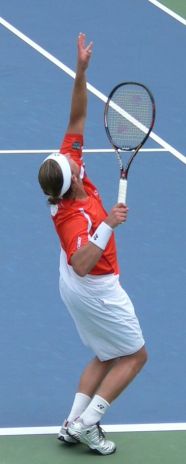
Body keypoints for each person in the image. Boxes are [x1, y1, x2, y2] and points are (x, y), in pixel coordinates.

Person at [38, 33, 147, 456]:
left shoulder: (67, 176)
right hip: (94, 288)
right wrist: (108, 224)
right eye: (70, 161)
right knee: (134, 356)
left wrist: (81, 72)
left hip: (74, 284)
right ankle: (89, 423)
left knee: (106, 353)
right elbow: (83, 261)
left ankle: (71, 423)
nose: (71, 154)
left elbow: (77, 119)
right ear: (73, 180)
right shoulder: (74, 219)